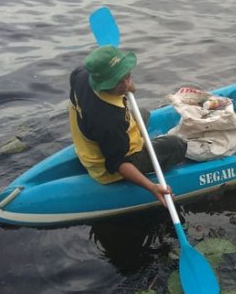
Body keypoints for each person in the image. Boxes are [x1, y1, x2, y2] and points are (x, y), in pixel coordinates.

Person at [69, 45, 187, 206]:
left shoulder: (81, 76)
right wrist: (152, 187)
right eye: (119, 82)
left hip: (101, 140)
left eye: (128, 76)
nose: (126, 85)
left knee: (143, 112)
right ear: (103, 83)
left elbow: (117, 86)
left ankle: (143, 143)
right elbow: (118, 164)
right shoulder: (107, 120)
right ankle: (154, 158)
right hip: (110, 165)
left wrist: (125, 84)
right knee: (178, 145)